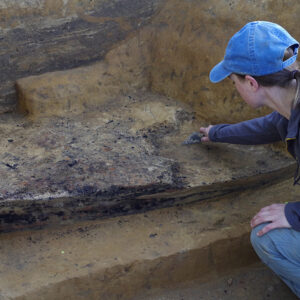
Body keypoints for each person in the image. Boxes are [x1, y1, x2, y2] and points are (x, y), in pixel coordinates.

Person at [199, 21, 300, 297]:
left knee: (268, 236)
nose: (235, 87)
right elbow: (270, 126)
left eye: (234, 82)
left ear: (252, 83)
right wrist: (216, 134)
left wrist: (294, 214)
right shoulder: (293, 98)